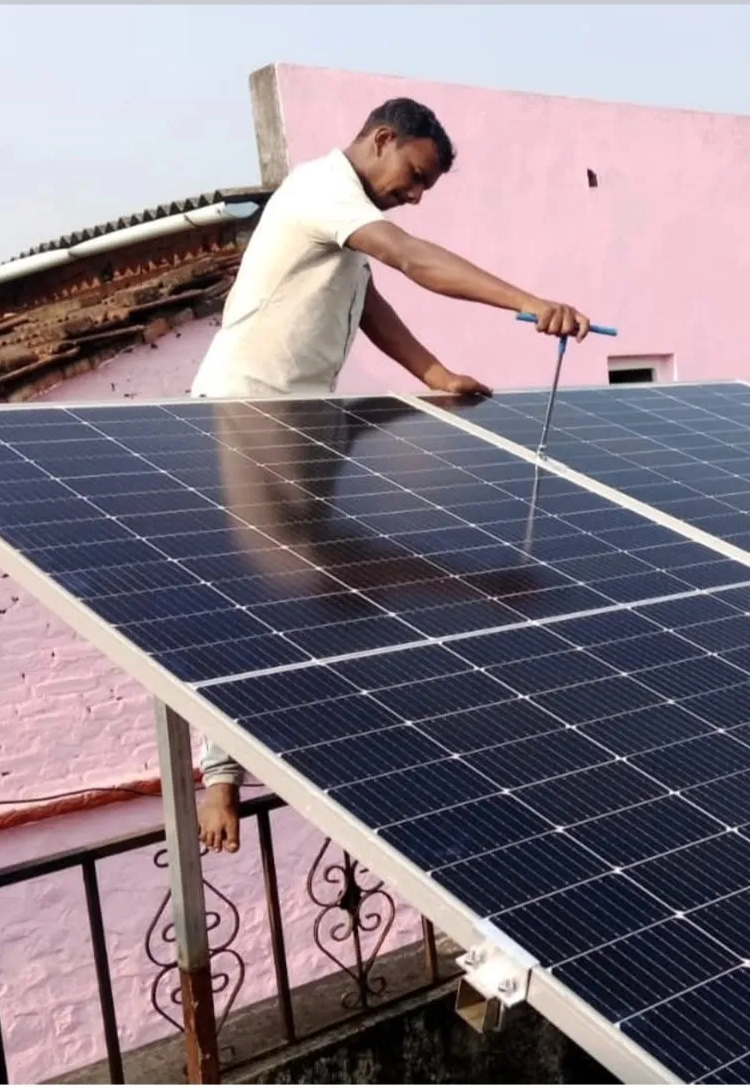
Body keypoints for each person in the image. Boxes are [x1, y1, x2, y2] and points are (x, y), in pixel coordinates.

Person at [189, 96, 593, 854]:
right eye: (414, 175)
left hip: (306, 417)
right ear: (382, 139)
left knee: (326, 587)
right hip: (250, 412)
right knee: (258, 591)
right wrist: (531, 303)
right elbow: (410, 259)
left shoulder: (341, 222)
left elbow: (367, 297)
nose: (414, 194)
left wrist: (435, 371)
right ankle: (217, 774)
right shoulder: (319, 189)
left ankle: (344, 726)